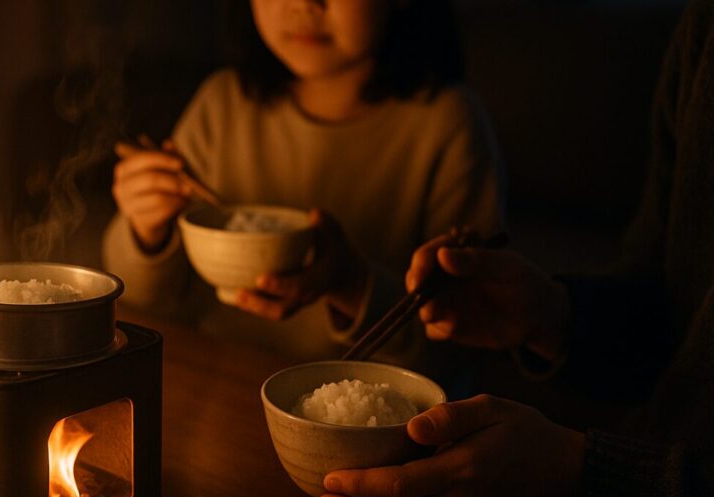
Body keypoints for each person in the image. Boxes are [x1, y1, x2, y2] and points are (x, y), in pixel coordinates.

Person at [315, 1, 714, 497]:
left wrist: (587, 475)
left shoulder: (447, 120)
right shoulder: (702, 30)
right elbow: (670, 306)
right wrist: (557, 316)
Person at [102, 0, 505, 381]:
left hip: (364, 410)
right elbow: (137, 300)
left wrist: (350, 283)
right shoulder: (224, 103)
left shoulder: (447, 125)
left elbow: (468, 343)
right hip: (220, 381)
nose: (302, 5)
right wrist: (146, 230)